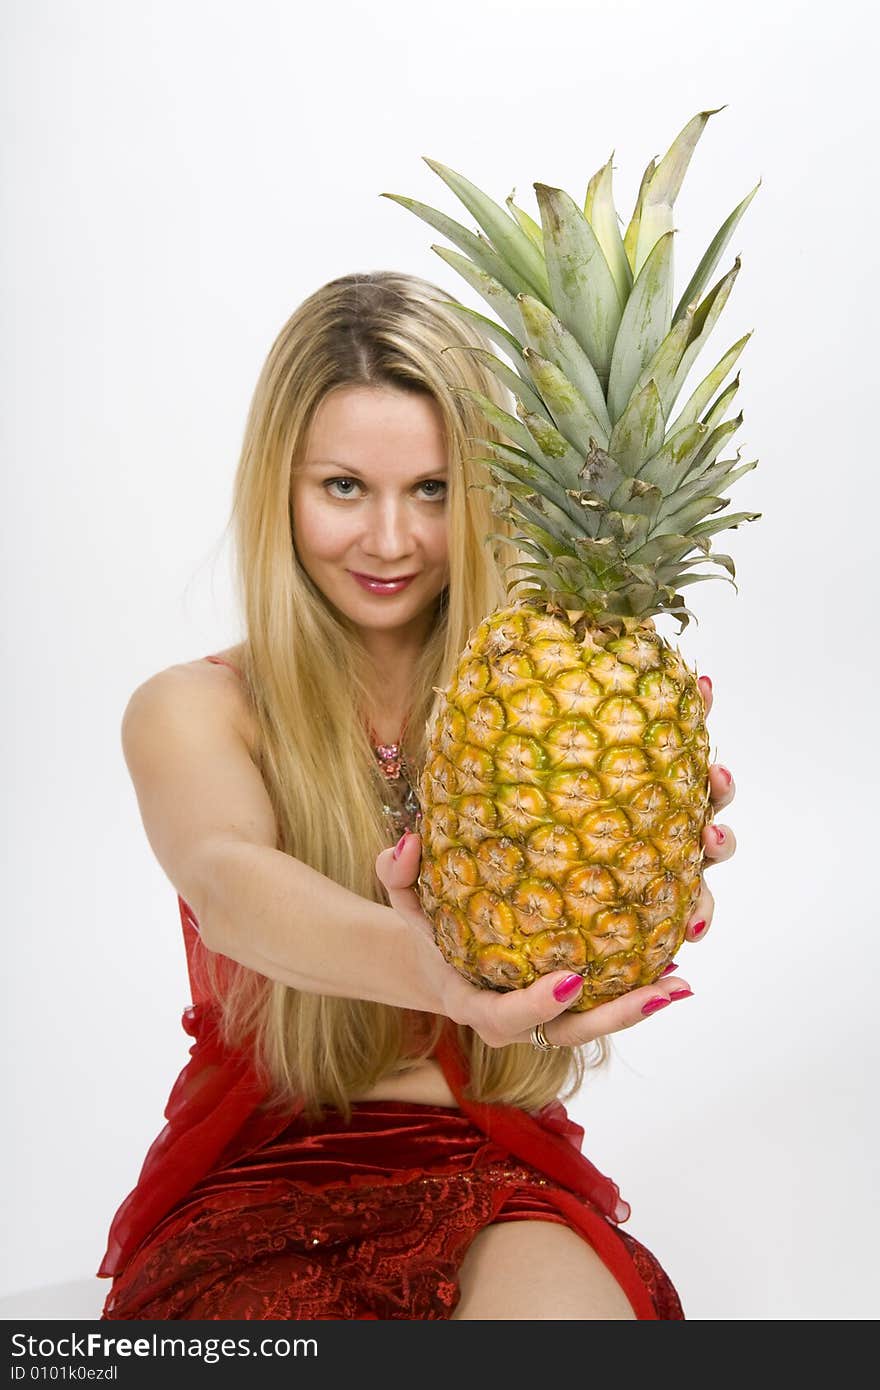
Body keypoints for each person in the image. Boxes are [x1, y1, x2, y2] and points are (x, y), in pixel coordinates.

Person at [96, 271, 737, 1321]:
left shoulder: (542, 710)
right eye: (343, 486)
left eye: (433, 490)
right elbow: (228, 879)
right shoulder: (195, 709)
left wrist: (640, 878)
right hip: (254, 1178)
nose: (390, 540)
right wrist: (445, 974)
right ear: (277, 487)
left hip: (493, 1167)